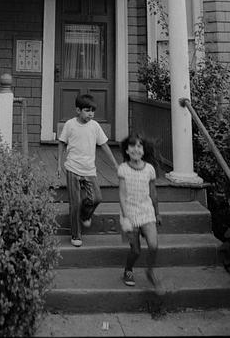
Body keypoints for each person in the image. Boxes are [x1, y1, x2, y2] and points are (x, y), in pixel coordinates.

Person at [57, 94, 118, 247]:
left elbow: (104, 145)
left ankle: (85, 215)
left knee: (96, 198)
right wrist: (59, 164)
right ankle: (76, 235)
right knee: (75, 203)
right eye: (87, 110)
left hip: (89, 170)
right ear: (78, 110)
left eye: (92, 111)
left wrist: (115, 165)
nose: (90, 114)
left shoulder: (95, 126)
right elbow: (61, 143)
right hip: (72, 168)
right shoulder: (70, 125)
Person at [117, 133, 162, 287]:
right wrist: (125, 217)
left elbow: (153, 193)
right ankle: (128, 270)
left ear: (143, 149)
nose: (136, 149)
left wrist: (157, 213)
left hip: (146, 212)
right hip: (129, 213)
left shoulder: (149, 169)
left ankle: (150, 271)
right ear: (127, 150)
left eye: (139, 146)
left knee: (154, 245)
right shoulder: (123, 169)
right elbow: (122, 195)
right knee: (136, 251)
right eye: (132, 146)